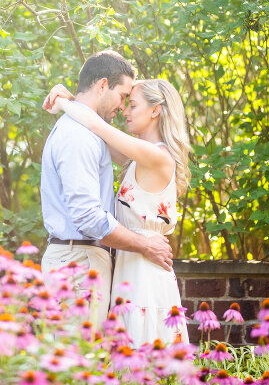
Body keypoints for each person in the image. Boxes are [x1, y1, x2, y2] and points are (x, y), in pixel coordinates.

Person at [44, 77, 190, 346]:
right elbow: (96, 129)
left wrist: (64, 102)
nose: (124, 111)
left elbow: (97, 125)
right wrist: (72, 100)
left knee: (143, 354)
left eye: (132, 105)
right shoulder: (137, 158)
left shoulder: (157, 156)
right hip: (129, 263)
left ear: (155, 110)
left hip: (145, 270)